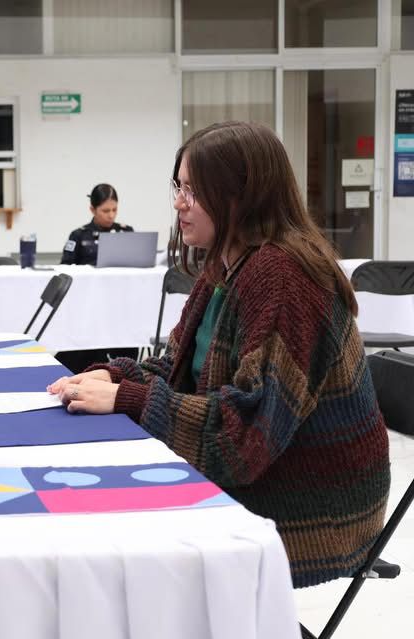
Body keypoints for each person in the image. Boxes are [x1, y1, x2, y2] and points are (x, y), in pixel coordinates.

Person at [47, 121, 390, 589]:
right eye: (179, 187)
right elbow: (178, 369)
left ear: (240, 196)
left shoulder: (283, 278)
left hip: (311, 511)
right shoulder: (227, 263)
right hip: (269, 479)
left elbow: (243, 438)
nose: (178, 203)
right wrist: (114, 377)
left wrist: (130, 399)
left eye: (193, 190)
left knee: (102, 546)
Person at [60, 183, 133, 265]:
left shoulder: (127, 232)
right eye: (106, 211)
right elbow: (65, 267)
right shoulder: (78, 235)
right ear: (92, 210)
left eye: (114, 210)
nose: (111, 215)